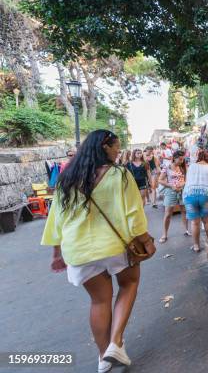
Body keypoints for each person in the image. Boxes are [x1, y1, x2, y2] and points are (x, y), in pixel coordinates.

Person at [41, 129, 156, 372]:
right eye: (116, 146)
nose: (118, 151)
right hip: (115, 246)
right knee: (129, 284)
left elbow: (56, 220)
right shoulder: (119, 175)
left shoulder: (68, 178)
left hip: (79, 250)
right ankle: (115, 342)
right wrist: (146, 241)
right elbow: (134, 214)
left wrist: (56, 252)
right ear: (105, 146)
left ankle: (104, 358)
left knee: (99, 300)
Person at [183, 149, 208, 252]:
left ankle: (196, 246)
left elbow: (187, 181)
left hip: (190, 195)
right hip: (205, 195)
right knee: (207, 220)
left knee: (195, 223)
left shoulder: (191, 166)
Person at [158, 150, 189, 243]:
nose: (182, 161)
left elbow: (186, 179)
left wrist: (182, 184)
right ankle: (164, 234)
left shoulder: (183, 167)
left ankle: (186, 230)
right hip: (170, 192)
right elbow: (160, 180)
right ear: (174, 158)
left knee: (184, 211)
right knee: (168, 214)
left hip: (182, 191)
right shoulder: (166, 167)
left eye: (183, 159)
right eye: (180, 159)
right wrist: (171, 186)